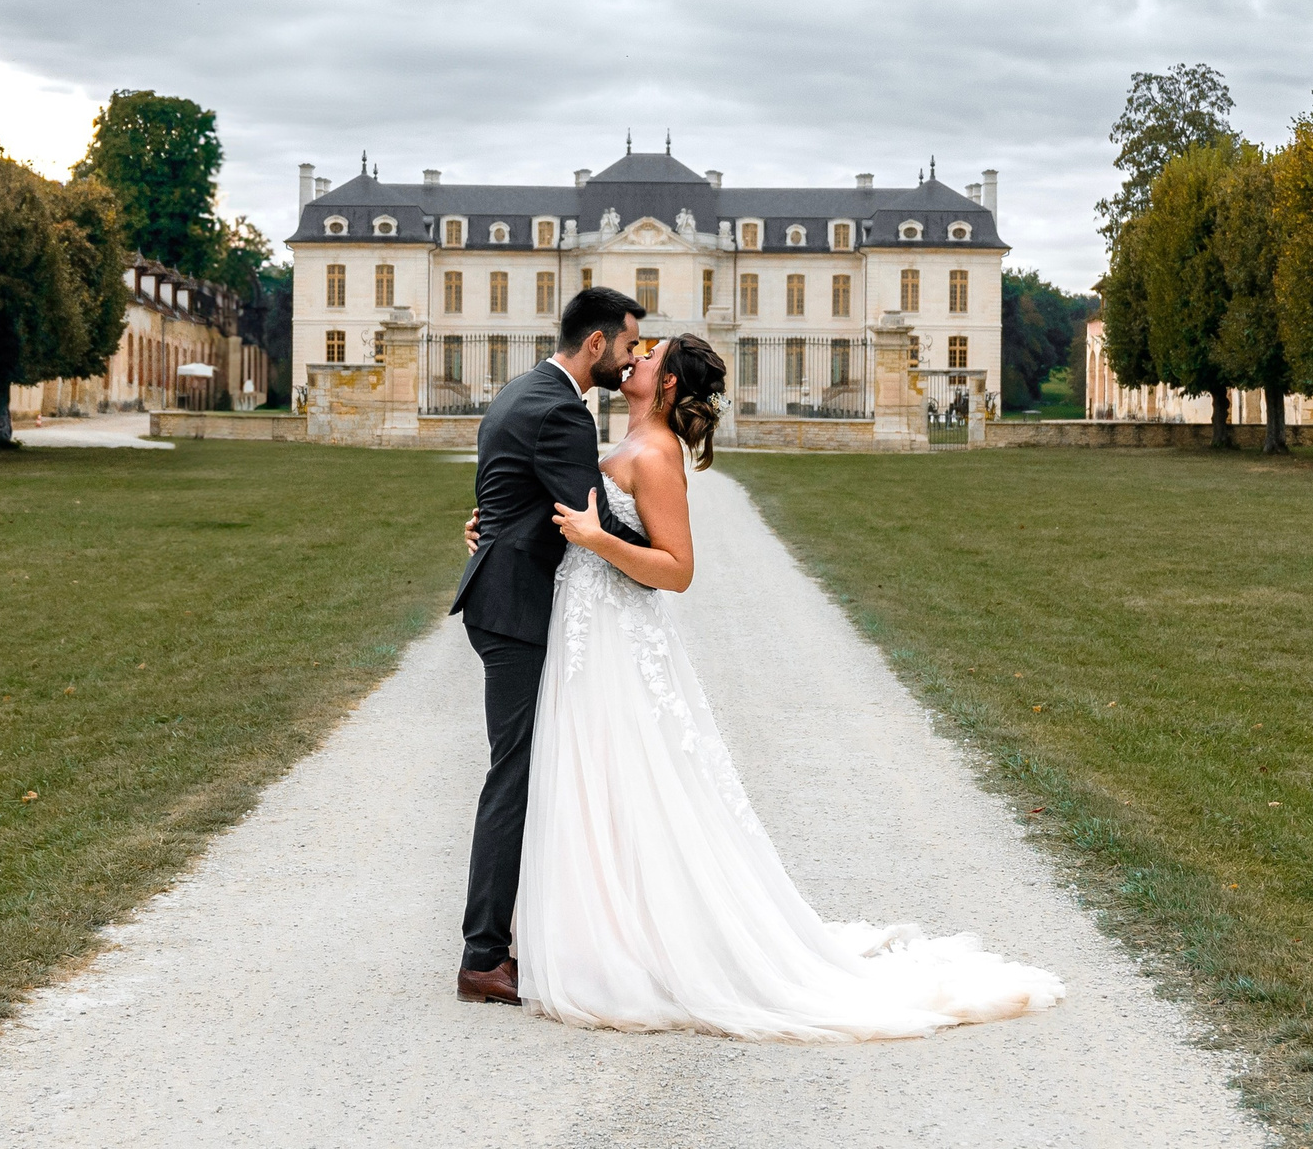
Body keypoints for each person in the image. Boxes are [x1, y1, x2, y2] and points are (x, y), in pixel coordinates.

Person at [510, 333, 1065, 1040]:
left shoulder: (654, 456)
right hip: (587, 634)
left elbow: (677, 569)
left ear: (670, 385)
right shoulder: (616, 444)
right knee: (597, 779)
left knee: (636, 777)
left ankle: (638, 941)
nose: (634, 361)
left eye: (649, 358)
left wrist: (597, 542)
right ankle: (605, 928)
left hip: (622, 638)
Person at [448, 287, 653, 1006]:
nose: (633, 360)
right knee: (515, 774)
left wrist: (485, 526)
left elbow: (506, 497)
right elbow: (584, 516)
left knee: (526, 769)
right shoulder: (562, 410)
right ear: (594, 344)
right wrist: (657, 558)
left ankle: (514, 937)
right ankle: (482, 957)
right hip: (514, 607)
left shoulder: (522, 389)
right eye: (629, 345)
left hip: (501, 593)